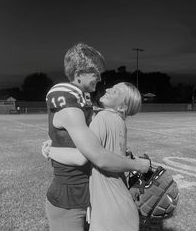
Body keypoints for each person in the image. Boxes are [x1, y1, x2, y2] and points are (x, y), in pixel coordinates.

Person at [44, 42, 149, 231]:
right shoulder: (70, 107)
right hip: (69, 198)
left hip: (87, 197)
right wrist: (139, 165)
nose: (100, 79)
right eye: (95, 73)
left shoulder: (89, 108)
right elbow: (91, 156)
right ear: (78, 75)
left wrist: (52, 147)